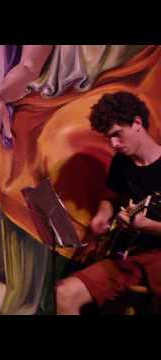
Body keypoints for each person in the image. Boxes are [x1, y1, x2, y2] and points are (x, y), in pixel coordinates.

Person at [56, 91, 161, 314]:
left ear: (137, 123)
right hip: (129, 256)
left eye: (117, 134)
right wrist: (103, 214)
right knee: (64, 292)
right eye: (109, 138)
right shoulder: (121, 163)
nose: (114, 144)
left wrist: (148, 226)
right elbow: (110, 197)